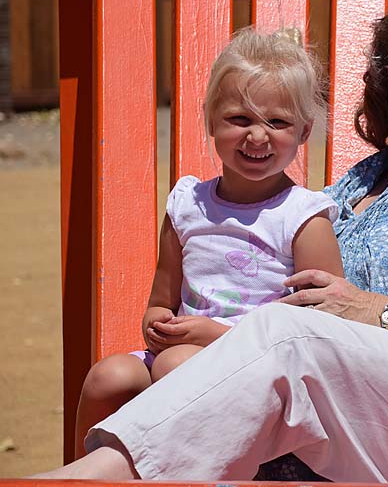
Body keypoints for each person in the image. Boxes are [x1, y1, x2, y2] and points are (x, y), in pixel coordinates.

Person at [34, 0, 388, 484]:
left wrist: (378, 312)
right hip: (362, 425)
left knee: (292, 335)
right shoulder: (357, 183)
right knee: (136, 377)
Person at [71, 27, 343, 458]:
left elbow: (322, 328)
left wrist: (211, 335)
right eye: (240, 119)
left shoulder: (303, 218)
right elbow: (161, 298)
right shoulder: (188, 205)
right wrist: (159, 325)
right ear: (210, 120)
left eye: (278, 122)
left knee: (175, 366)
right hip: (176, 355)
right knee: (109, 376)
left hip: (261, 368)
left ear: (305, 131)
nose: (257, 136)